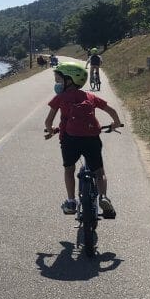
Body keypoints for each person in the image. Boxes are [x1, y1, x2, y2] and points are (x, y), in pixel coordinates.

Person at [43, 62, 122, 218]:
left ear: (69, 80)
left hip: (69, 139)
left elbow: (48, 121)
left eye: (59, 80)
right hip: (91, 139)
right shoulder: (89, 96)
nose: (57, 84)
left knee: (69, 169)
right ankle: (103, 197)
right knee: (99, 171)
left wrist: (51, 130)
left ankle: (71, 201)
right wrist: (116, 123)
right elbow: (111, 110)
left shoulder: (60, 98)